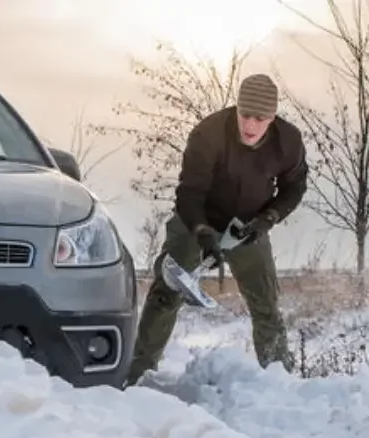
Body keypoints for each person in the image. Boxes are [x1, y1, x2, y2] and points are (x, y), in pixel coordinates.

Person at [125, 73, 309, 386]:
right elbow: (190, 192)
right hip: (197, 220)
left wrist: (269, 218)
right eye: (245, 115)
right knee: (166, 292)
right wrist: (202, 232)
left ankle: (281, 384)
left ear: (273, 117)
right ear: (237, 108)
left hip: (248, 226)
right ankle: (137, 375)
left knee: (266, 304)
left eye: (260, 118)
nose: (250, 126)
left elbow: (295, 186)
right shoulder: (208, 134)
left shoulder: (287, 142)